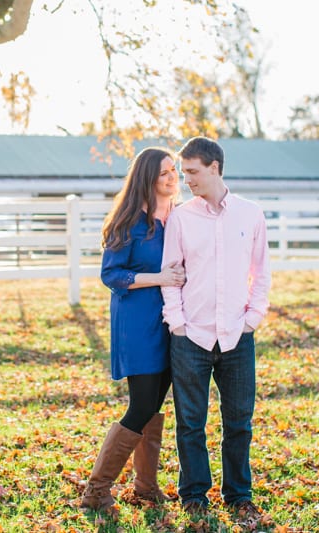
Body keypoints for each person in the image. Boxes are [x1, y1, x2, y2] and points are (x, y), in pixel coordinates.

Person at [160, 137, 272, 526]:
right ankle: (194, 494)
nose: (185, 179)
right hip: (191, 336)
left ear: (214, 167)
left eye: (191, 171)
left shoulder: (250, 214)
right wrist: (178, 324)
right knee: (190, 422)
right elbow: (171, 275)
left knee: (239, 421)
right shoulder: (181, 217)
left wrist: (252, 318)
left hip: (238, 336)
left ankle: (239, 493)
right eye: (183, 171)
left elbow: (261, 273)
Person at [81, 146, 186, 512]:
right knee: (141, 404)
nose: (173, 178)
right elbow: (111, 275)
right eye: (164, 173)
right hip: (137, 324)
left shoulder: (181, 217)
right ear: (147, 178)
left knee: (155, 405)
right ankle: (96, 490)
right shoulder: (128, 221)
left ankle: (145, 487)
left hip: (173, 322)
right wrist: (158, 277)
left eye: (174, 170)